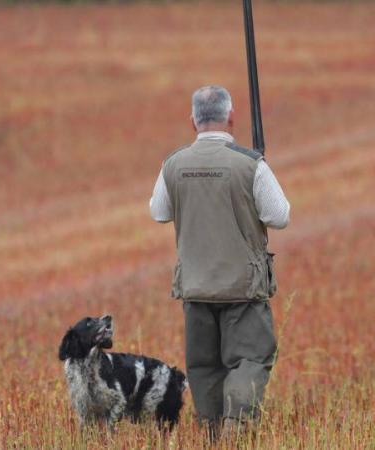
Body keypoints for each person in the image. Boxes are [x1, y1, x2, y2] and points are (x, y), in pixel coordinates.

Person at [149, 85, 290, 439]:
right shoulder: (249, 164)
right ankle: (236, 426)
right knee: (251, 360)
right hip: (242, 289)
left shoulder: (174, 164)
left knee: (203, 366)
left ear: (193, 120)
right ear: (231, 117)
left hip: (195, 287)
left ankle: (211, 433)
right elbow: (279, 215)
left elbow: (158, 212)